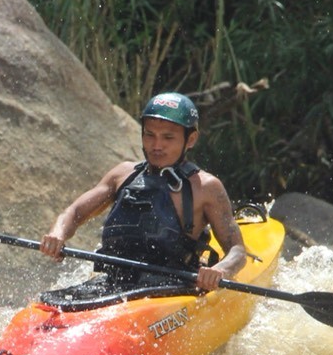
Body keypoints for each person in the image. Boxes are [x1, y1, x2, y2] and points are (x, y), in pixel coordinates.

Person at [40, 92, 247, 292]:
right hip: (114, 284)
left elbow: (237, 251)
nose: (157, 145)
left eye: (168, 137)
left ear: (190, 139)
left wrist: (220, 270)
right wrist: (58, 234)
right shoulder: (122, 174)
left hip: (173, 289)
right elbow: (75, 212)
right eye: (149, 135)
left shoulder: (206, 187)